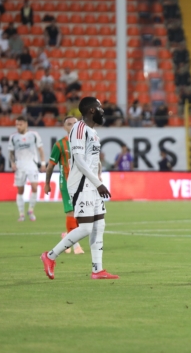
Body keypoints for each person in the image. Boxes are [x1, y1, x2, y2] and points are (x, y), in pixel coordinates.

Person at [41, 97, 118, 280]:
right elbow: (79, 160)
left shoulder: (92, 132)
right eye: (99, 108)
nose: (102, 111)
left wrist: (97, 177)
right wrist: (98, 183)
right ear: (91, 110)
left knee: (99, 225)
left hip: (92, 183)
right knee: (85, 228)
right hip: (81, 183)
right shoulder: (79, 128)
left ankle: (97, 270)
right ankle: (50, 256)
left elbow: (92, 159)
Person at [44, 116, 85, 255]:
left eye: (75, 123)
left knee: (82, 217)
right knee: (71, 213)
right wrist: (47, 184)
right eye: (69, 124)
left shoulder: (85, 142)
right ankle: (76, 246)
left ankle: (67, 236)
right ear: (64, 127)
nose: (72, 126)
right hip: (66, 184)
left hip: (82, 183)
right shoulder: (60, 145)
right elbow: (50, 166)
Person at [8, 116, 45, 222]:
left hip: (32, 165)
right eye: (16, 125)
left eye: (20, 124)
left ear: (26, 124)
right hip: (20, 166)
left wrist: (42, 163)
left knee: (34, 187)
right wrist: (12, 163)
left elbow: (41, 150)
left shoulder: (34, 135)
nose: (18, 127)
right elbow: (11, 152)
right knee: (20, 190)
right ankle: (21, 214)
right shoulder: (13, 137)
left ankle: (31, 210)